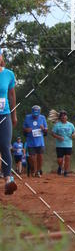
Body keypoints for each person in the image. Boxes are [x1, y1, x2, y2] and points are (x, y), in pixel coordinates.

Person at [0, 51, 18, 194]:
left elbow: (11, 95)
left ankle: (8, 179)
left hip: (4, 115)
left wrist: (14, 115)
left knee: (5, 146)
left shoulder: (9, 74)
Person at [23, 105, 48, 178]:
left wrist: (44, 129)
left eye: (37, 115)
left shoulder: (42, 118)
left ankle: (38, 171)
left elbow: (46, 131)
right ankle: (33, 169)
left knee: (40, 157)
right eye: (34, 115)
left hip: (40, 141)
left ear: (39, 113)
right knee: (31, 158)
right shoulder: (27, 117)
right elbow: (24, 129)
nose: (35, 116)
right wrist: (26, 130)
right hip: (30, 141)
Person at [51, 110, 75, 176]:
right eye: (62, 116)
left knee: (67, 158)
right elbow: (52, 133)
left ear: (67, 117)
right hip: (59, 145)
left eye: (65, 115)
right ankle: (60, 167)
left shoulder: (70, 125)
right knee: (59, 160)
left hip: (68, 144)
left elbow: (74, 132)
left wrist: (73, 135)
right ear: (60, 117)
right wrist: (58, 137)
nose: (63, 117)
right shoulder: (57, 125)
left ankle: (66, 172)